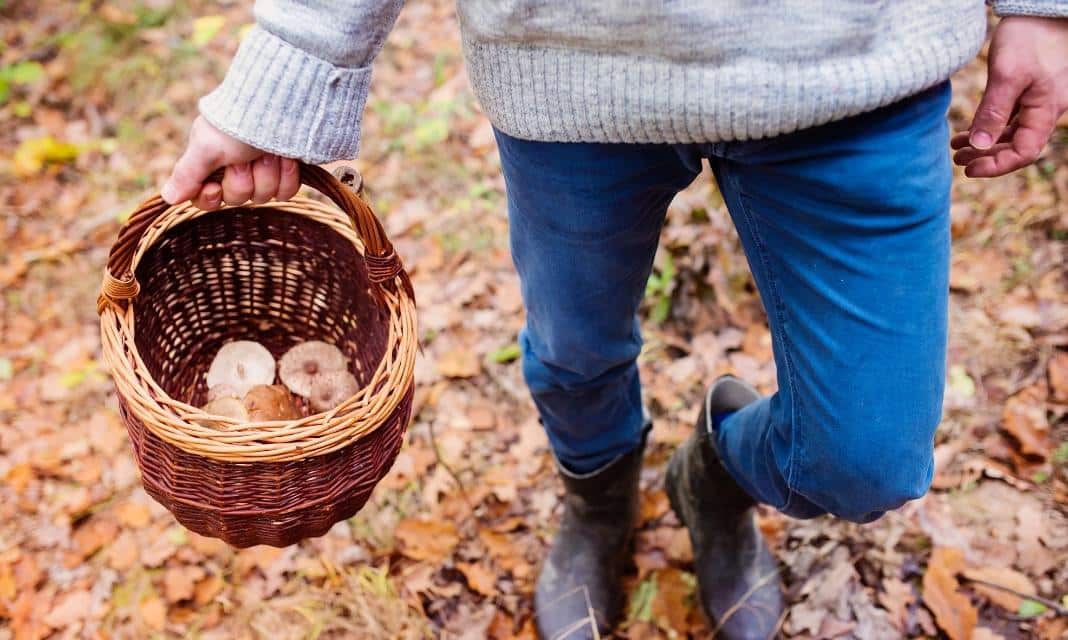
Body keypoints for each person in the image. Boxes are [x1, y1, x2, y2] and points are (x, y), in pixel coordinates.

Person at [161, 2, 1068, 638]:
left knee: (868, 459)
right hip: (570, 63)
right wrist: (289, 69)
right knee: (573, 348)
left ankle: (712, 473)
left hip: (854, 60)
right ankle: (598, 502)